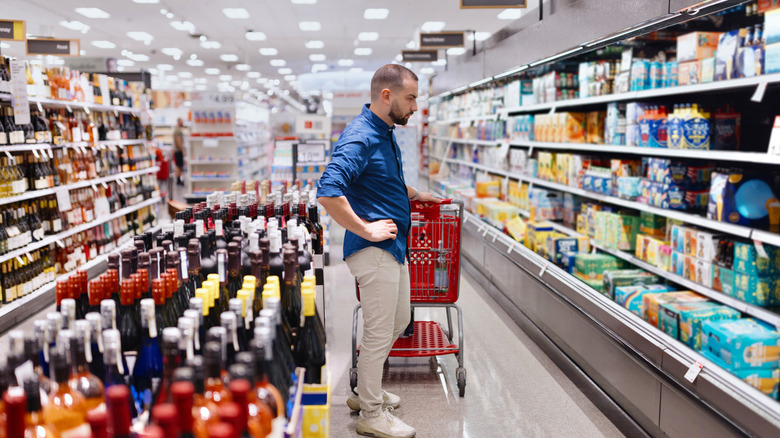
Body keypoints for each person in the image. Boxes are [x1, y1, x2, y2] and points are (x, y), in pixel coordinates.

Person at [317, 64, 439, 438]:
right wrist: (366, 228)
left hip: (393, 246)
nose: (416, 106)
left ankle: (363, 389)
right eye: (411, 98)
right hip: (374, 250)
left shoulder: (382, 130)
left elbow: (384, 179)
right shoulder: (360, 136)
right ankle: (371, 412)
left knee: (399, 321)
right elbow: (328, 189)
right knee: (379, 329)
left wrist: (415, 195)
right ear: (386, 96)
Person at [173, 118, 185, 186]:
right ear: (178, 122)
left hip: (177, 150)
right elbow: (178, 140)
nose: (182, 123)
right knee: (178, 165)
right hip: (178, 151)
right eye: (181, 122)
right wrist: (182, 150)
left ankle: (179, 179)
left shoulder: (178, 130)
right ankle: (178, 180)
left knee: (179, 166)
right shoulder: (178, 131)